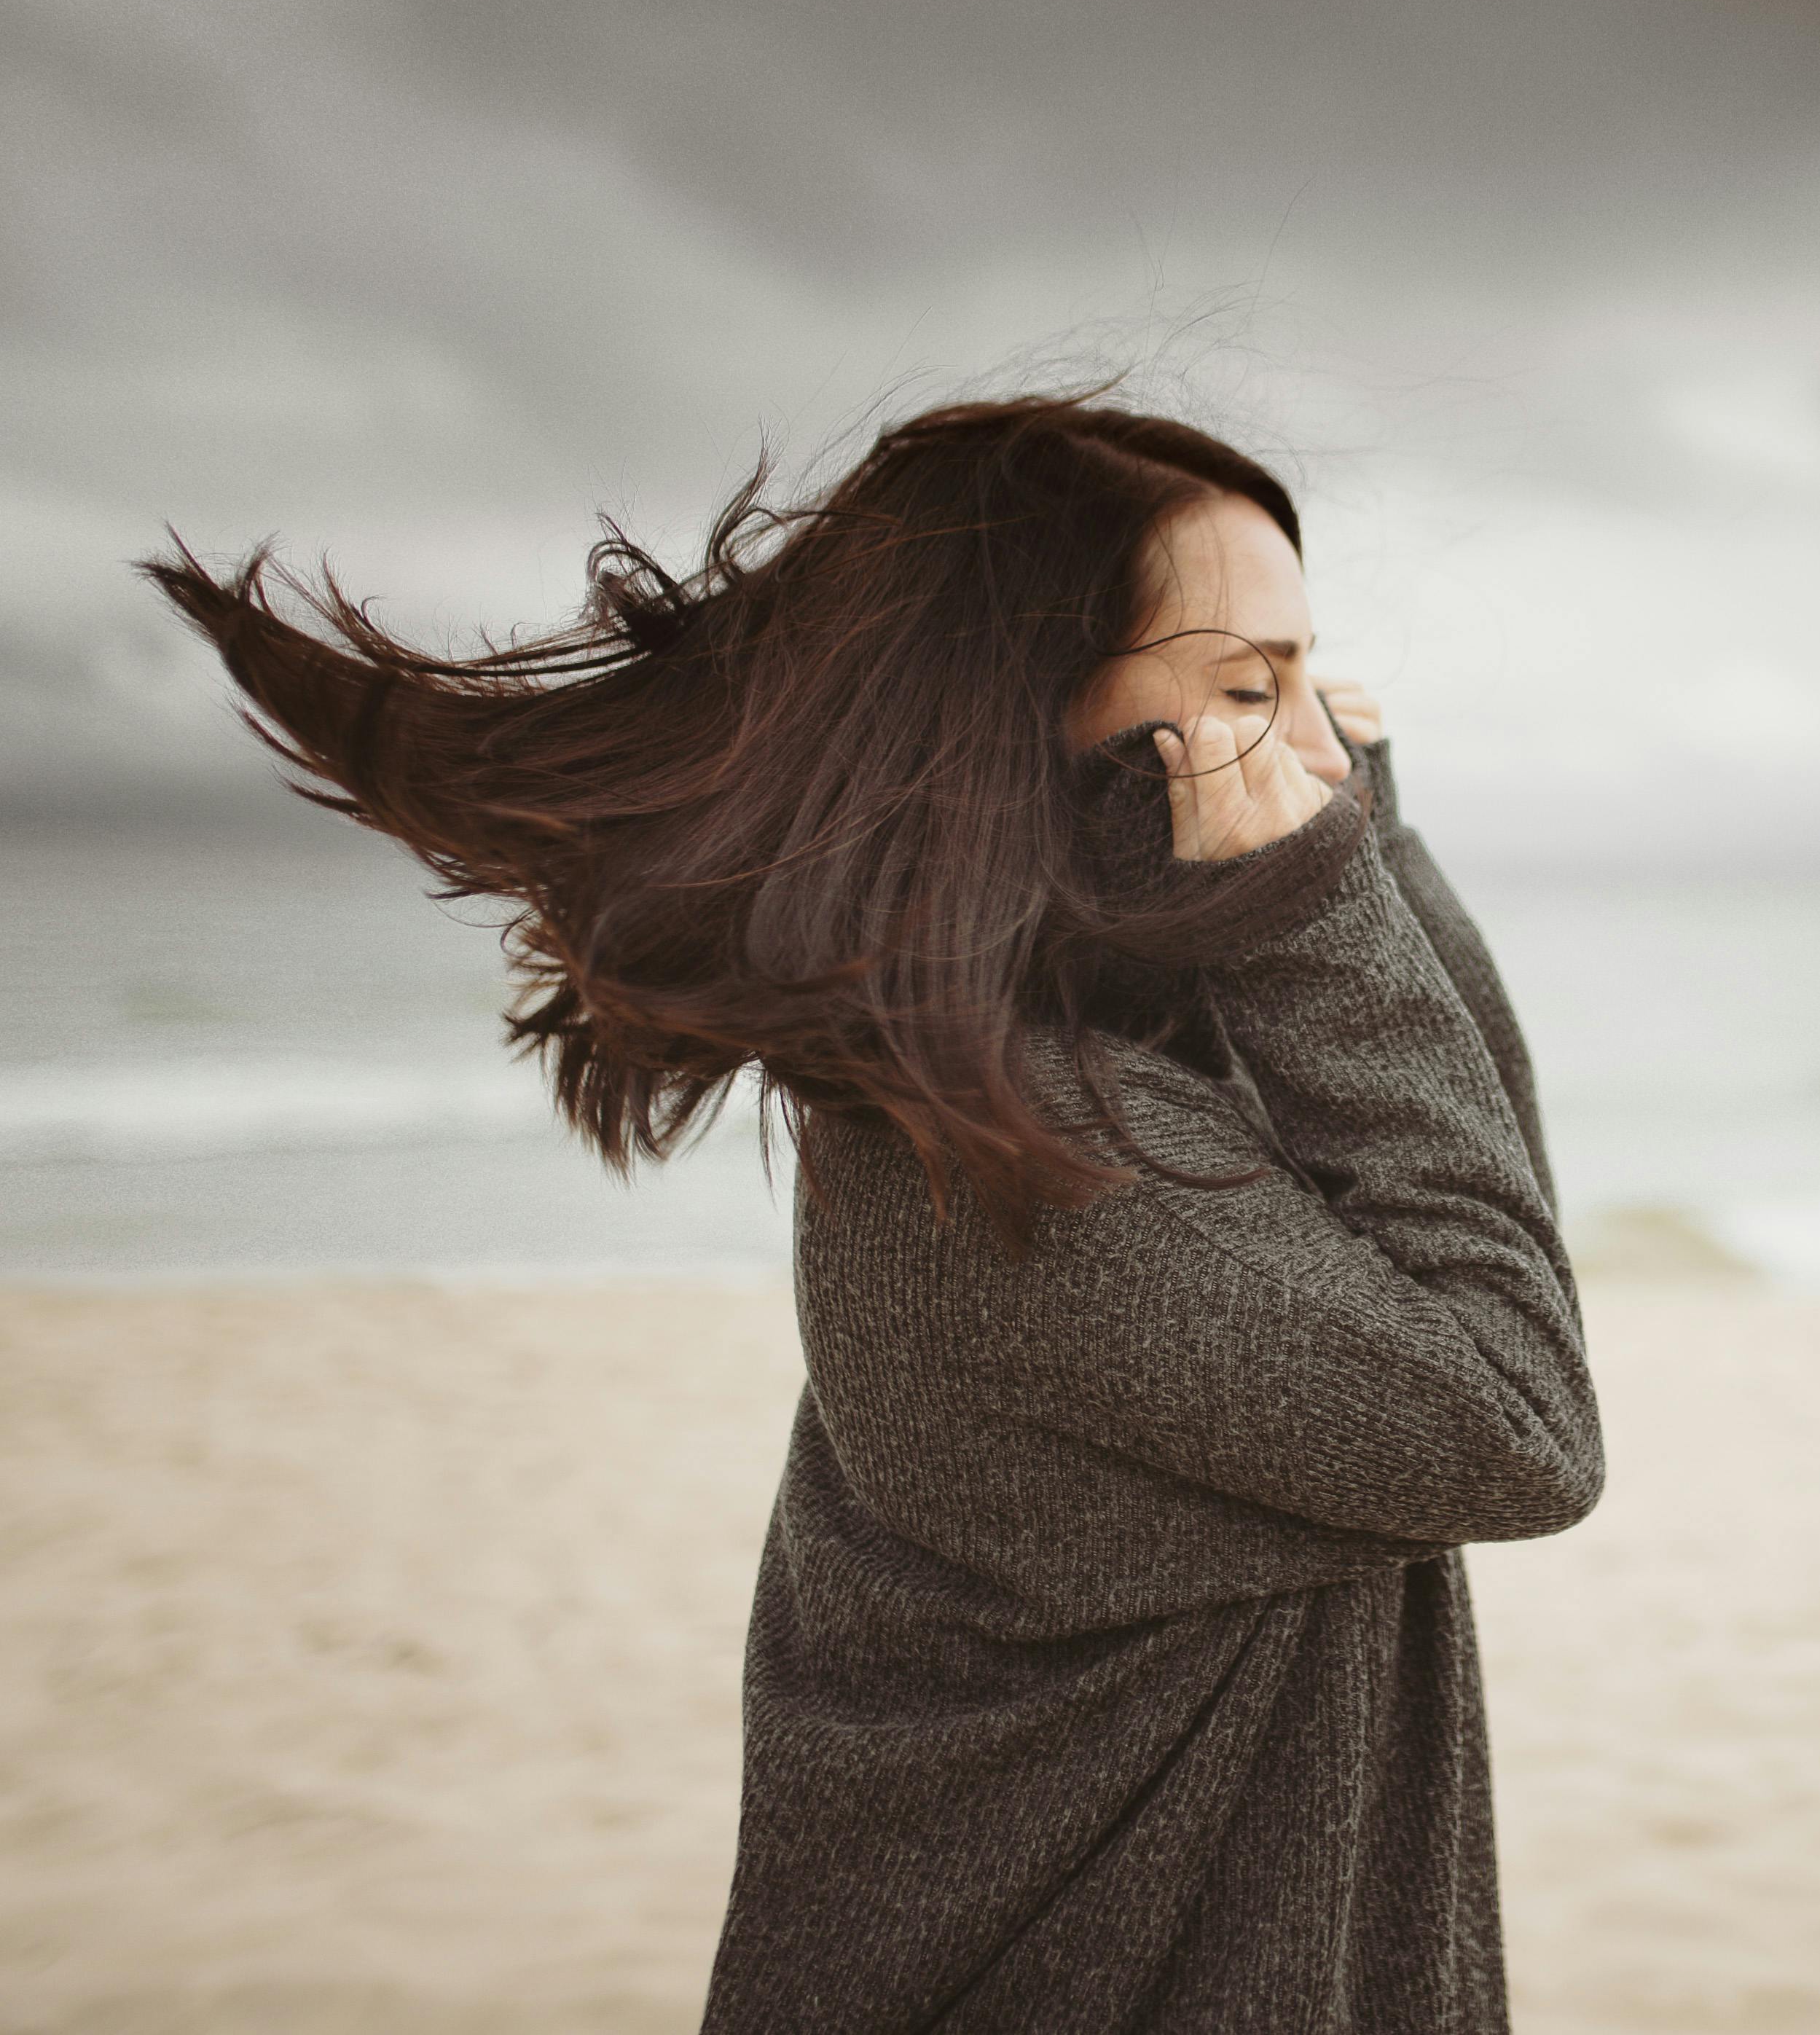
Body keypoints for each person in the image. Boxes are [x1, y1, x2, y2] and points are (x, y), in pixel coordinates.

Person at [144, 395, 1604, 2032]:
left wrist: (1360, 844)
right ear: (1027, 722)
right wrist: (1326, 904)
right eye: (1250, 693)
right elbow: (1520, 1410)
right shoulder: (1040, 1166)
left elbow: (1478, 1207)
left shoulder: (1090, 1060)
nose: (1315, 758)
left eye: (1308, 683)